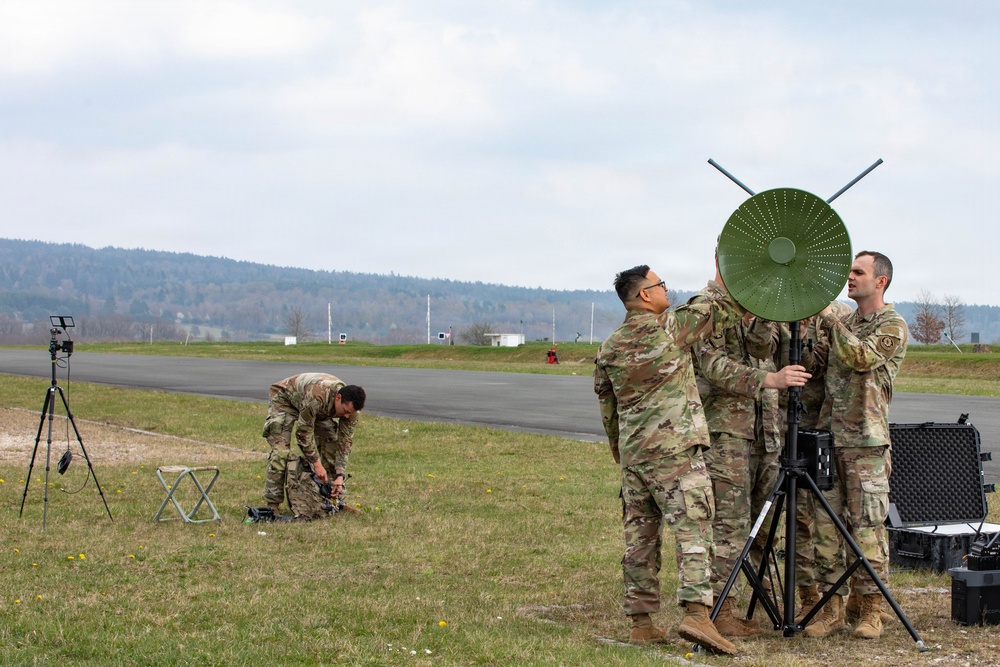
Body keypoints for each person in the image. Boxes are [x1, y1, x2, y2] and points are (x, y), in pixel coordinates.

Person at [593, 263, 745, 655]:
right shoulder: (668, 328)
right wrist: (723, 268)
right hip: (675, 453)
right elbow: (718, 306)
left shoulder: (609, 346)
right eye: (660, 284)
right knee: (694, 530)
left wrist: (620, 450)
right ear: (645, 294)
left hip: (634, 458)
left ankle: (641, 624)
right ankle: (697, 614)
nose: (666, 289)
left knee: (639, 540)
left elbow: (608, 408)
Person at [690, 271, 811, 636]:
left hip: (766, 434)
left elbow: (764, 349)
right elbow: (713, 366)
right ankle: (720, 609)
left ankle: (763, 600)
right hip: (728, 435)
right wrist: (770, 380)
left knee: (763, 527)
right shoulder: (704, 307)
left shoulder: (759, 307)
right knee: (730, 525)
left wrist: (763, 313)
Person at [800, 251, 908, 640]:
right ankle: (831, 607)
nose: (850, 277)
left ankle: (871, 608)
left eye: (858, 272)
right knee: (826, 527)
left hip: (866, 442)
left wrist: (829, 318)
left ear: (880, 281)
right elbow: (817, 365)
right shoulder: (843, 322)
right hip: (829, 439)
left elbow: (860, 357)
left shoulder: (892, 325)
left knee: (867, 527)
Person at [261, 373, 366, 512]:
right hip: (285, 400)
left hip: (317, 408)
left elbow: (344, 443)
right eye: (345, 411)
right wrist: (317, 464)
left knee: (332, 443)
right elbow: (303, 434)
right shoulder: (316, 397)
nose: (346, 416)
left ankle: (336, 501)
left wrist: (340, 475)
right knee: (280, 452)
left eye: (350, 413)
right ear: (338, 398)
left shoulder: (351, 411)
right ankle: (272, 505)